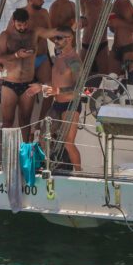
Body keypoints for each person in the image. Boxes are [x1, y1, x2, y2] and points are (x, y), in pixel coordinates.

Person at [0, 9, 60, 142]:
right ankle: (6, 155)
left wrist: (71, 28)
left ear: (28, 22)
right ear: (13, 22)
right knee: (7, 121)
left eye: (25, 24)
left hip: (27, 84)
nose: (22, 27)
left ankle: (24, 154)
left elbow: (51, 32)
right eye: (19, 25)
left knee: (25, 121)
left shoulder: (34, 33)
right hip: (9, 84)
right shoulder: (5, 36)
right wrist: (16, 55)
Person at [28, 26, 82, 170]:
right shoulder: (58, 58)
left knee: (68, 142)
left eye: (59, 38)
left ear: (69, 39)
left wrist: (58, 90)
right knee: (43, 137)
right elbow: (55, 82)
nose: (55, 41)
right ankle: (47, 168)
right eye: (55, 38)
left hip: (70, 105)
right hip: (56, 104)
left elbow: (79, 88)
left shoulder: (74, 60)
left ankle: (80, 173)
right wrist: (40, 87)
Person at [80, 0, 110, 74]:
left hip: (102, 44)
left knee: (104, 74)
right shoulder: (85, 2)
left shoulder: (107, 4)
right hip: (87, 44)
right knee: (83, 75)